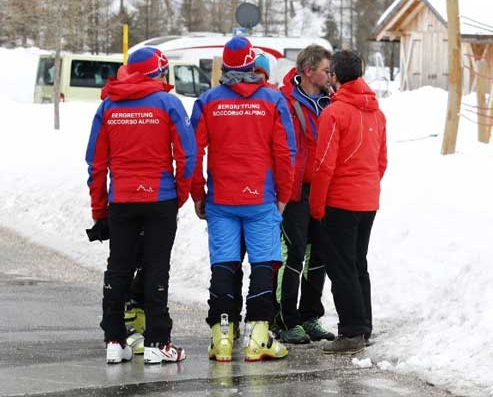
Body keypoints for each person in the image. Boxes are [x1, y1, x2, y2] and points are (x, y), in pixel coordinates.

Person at [85, 46, 196, 364]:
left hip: (122, 199)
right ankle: (157, 341)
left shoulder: (108, 106)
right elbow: (186, 155)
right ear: (156, 72)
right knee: (157, 267)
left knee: (118, 268)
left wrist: (99, 209)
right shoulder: (168, 103)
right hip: (159, 197)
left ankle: (114, 339)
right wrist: (180, 193)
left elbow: (96, 163)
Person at [190, 36, 296, 362]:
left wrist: (198, 194)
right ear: (253, 64)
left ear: (225, 65)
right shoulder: (272, 100)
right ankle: (259, 337)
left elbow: (194, 152)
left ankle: (222, 337)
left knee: (224, 264)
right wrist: (284, 194)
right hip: (261, 198)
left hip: (222, 198)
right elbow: (285, 152)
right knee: (263, 263)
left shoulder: (208, 101)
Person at [309, 50, 387, 354]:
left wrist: (317, 205)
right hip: (368, 199)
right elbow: (382, 161)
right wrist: (367, 185)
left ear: (335, 77)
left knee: (341, 268)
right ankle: (363, 326)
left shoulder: (335, 113)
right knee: (358, 264)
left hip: (341, 200)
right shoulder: (377, 112)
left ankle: (351, 332)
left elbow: (324, 165)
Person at [274, 44, 336, 344]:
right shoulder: (284, 100)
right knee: (294, 254)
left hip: (322, 188)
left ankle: (310, 316)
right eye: (325, 70)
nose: (330, 75)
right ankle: (285, 320)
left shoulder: (330, 100)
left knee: (319, 255)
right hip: (294, 190)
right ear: (308, 71)